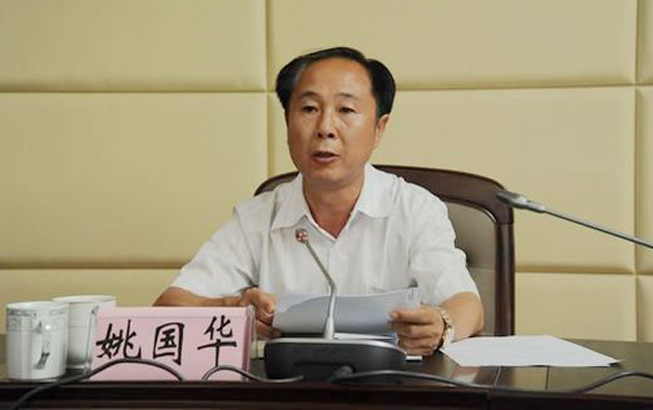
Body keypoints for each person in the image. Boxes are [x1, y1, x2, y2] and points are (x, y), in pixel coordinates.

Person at [154, 47, 483, 355]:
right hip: (287, 388)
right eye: (309, 109)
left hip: (392, 388)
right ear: (287, 122)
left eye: (346, 110)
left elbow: (468, 306)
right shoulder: (256, 219)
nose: (325, 128)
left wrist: (443, 324)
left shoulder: (416, 210)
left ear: (379, 128)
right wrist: (233, 310)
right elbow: (168, 307)